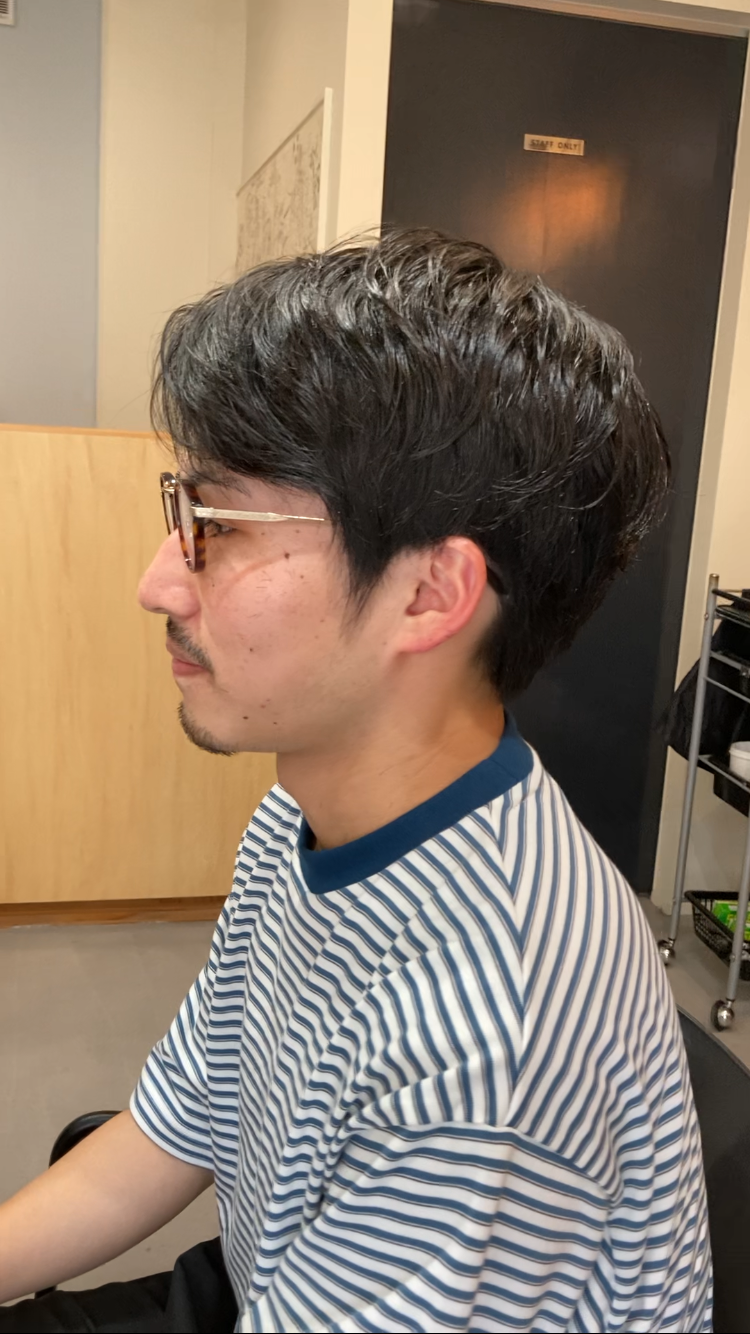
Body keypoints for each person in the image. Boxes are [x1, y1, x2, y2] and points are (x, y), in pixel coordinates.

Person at [0, 230, 711, 1333]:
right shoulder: (305, 815)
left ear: (430, 594)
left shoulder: (490, 1038)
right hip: (283, 1273)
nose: (158, 581)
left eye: (217, 524)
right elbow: (175, 1124)